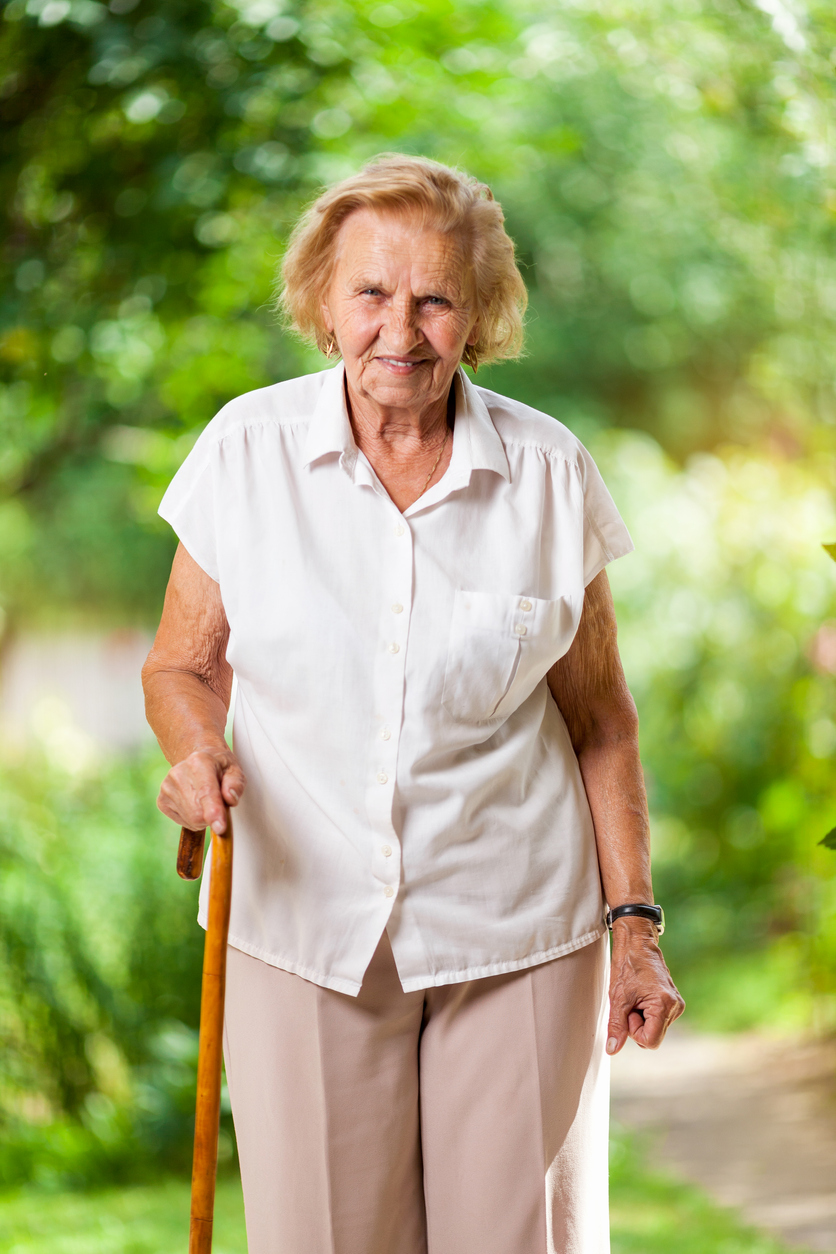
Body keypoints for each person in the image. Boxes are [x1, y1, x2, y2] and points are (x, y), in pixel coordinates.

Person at [142, 153, 684, 1254]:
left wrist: (633, 928)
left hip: (515, 926)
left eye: (435, 297)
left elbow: (599, 720)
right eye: (370, 294)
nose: (401, 329)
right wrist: (196, 749)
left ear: (476, 314)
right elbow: (181, 666)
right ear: (322, 302)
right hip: (298, 924)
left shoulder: (546, 474)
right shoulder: (244, 454)